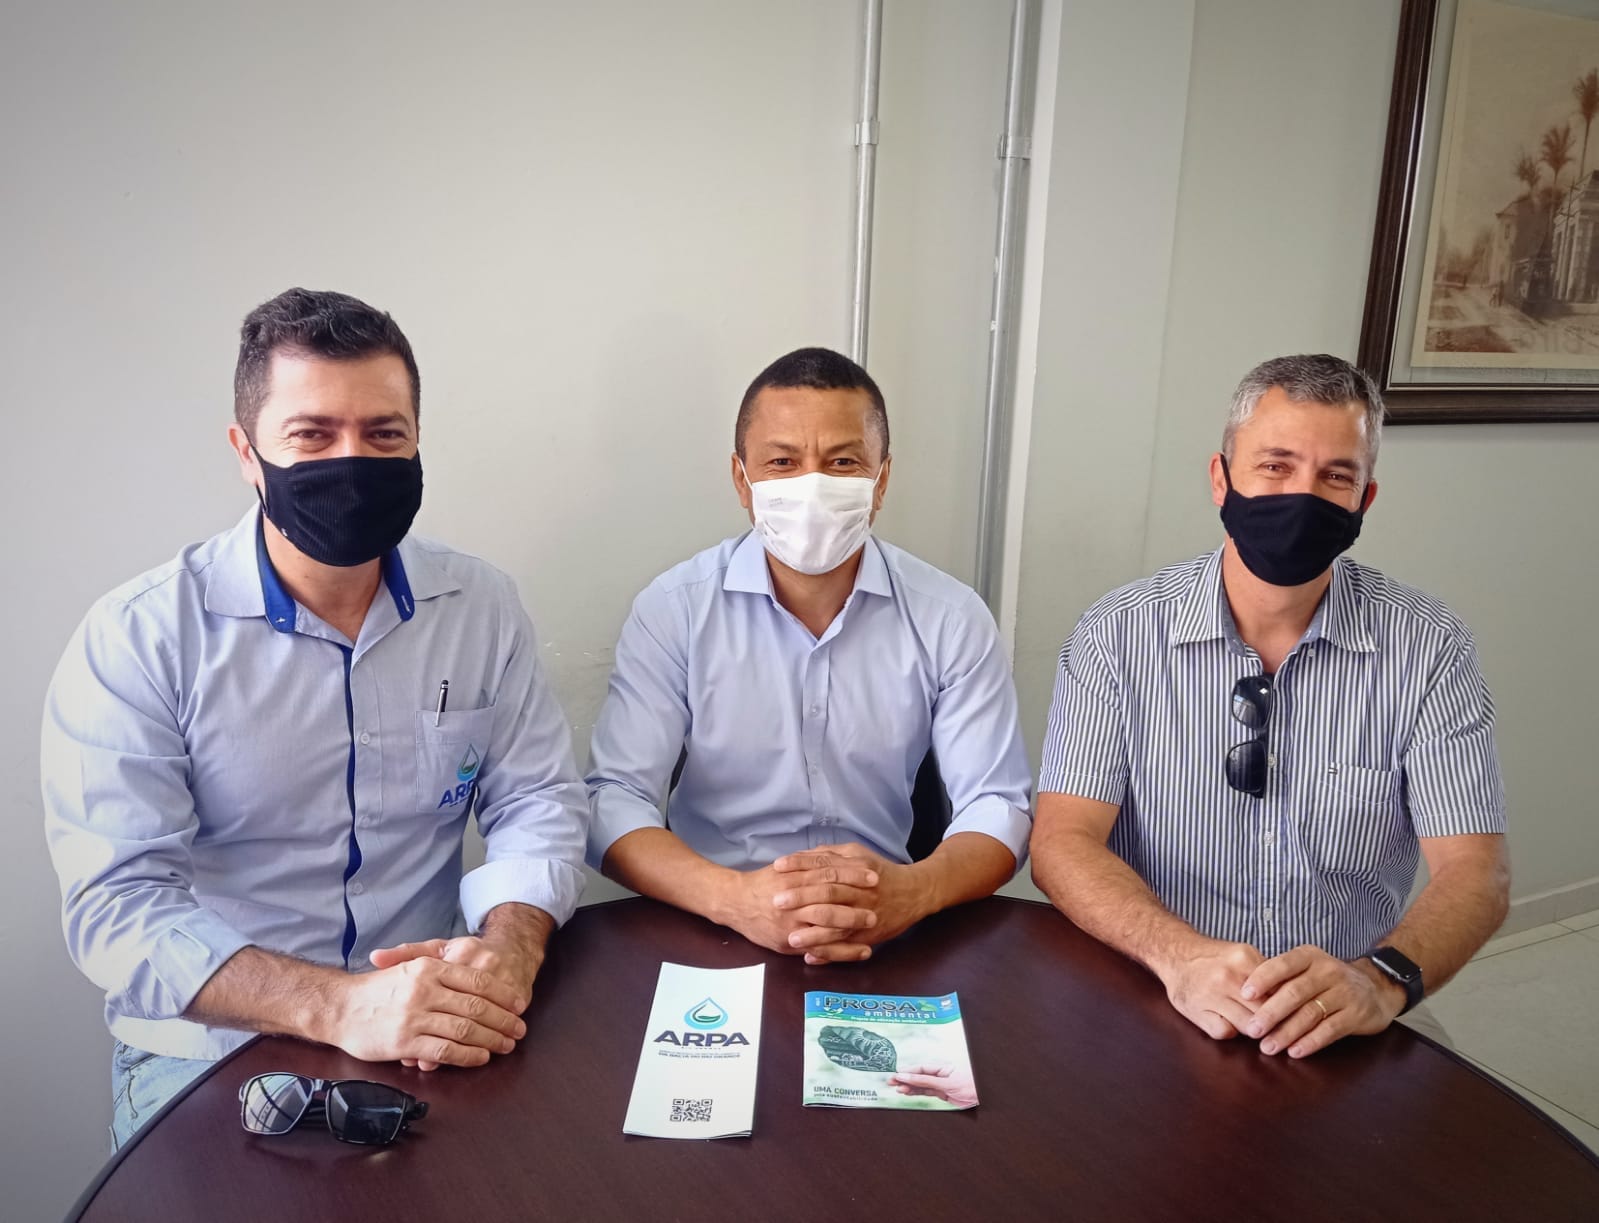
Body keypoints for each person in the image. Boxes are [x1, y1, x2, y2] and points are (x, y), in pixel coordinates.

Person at [42, 288, 590, 1146]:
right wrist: (341, 1006)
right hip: (214, 1051)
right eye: (312, 434)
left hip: (427, 1025)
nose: (352, 461)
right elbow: (116, 905)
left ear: (417, 439)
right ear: (247, 452)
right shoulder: (140, 636)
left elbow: (537, 800)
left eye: (384, 434)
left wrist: (510, 948)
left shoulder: (480, 605)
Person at [1030, 354, 1509, 1058]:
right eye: (1275, 466)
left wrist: (1380, 981)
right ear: (1220, 478)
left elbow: (1477, 870)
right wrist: (1180, 955)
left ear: (1364, 500)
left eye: (1335, 476)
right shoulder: (1117, 635)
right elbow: (1061, 840)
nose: (1301, 495)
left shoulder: (1429, 649)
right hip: (1153, 980)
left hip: (1346, 1000)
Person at [586, 347, 1032, 963]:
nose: (812, 486)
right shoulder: (675, 609)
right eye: (782, 462)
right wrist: (734, 899)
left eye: (843, 462)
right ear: (742, 480)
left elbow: (998, 805)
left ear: (881, 480)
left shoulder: (950, 616)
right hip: (711, 920)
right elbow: (613, 799)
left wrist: (914, 892)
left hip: (888, 921)